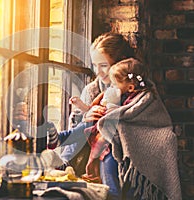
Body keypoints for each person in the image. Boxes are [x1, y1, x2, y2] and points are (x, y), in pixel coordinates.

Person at [47, 32, 135, 197]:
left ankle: (62, 152)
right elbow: (78, 124)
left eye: (104, 66)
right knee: (86, 125)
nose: (99, 72)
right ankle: (62, 157)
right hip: (90, 140)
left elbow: (141, 113)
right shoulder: (93, 90)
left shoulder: (133, 85)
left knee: (101, 140)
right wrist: (87, 115)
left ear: (119, 63)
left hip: (113, 141)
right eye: (95, 65)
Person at [95, 58, 182, 200]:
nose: (112, 88)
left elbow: (140, 117)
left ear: (130, 87)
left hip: (152, 133)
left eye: (115, 84)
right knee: (109, 159)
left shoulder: (147, 97)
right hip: (120, 147)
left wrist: (114, 112)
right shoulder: (124, 96)